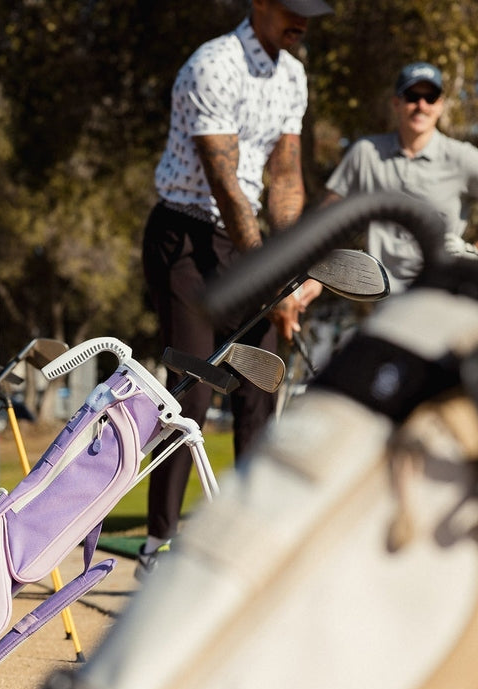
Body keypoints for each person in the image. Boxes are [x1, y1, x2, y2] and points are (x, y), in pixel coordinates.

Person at [138, 0, 334, 578]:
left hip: (248, 245)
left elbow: (285, 176)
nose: (302, 22)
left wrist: (290, 267)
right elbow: (225, 186)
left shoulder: (293, 75)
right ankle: (158, 545)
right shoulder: (213, 65)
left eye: (309, 12)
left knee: (259, 384)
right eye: (292, 10)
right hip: (187, 237)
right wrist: (271, 279)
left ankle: (245, 548)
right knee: (192, 393)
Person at [320, 61, 478, 291]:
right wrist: (317, 274)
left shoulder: (461, 157)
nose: (421, 105)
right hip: (380, 297)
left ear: (440, 105)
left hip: (439, 296)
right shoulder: (366, 152)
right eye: (412, 96)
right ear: (396, 103)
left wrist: (474, 252)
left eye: (430, 97)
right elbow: (326, 218)